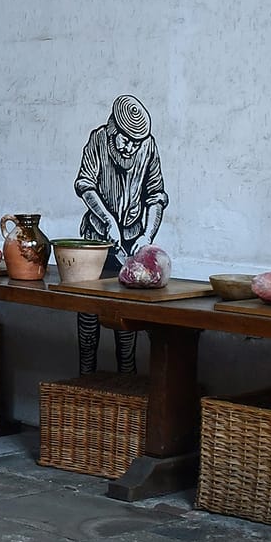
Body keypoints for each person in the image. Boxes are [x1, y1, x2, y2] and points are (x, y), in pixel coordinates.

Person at [72, 94, 169, 374]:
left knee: (125, 318)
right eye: (125, 140)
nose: (130, 148)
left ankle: (126, 384)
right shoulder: (98, 140)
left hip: (131, 242)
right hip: (95, 241)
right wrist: (108, 221)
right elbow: (85, 186)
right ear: (114, 128)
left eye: (135, 143)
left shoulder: (148, 147)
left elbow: (156, 196)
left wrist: (147, 236)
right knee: (88, 314)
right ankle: (85, 380)